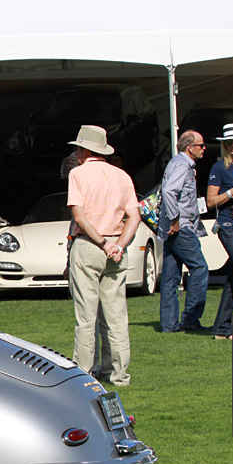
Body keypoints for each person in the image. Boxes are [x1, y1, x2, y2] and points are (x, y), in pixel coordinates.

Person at [67, 125, 140, 386]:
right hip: (116, 248)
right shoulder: (122, 175)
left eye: (77, 147)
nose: (75, 152)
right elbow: (135, 217)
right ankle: (118, 374)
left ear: (86, 150)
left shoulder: (78, 174)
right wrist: (118, 244)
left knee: (86, 316)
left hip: (89, 244)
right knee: (116, 316)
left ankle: (83, 374)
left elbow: (79, 216)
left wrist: (102, 243)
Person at [157, 130, 209, 333]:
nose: (204, 148)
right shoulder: (182, 165)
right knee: (200, 268)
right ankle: (190, 319)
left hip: (174, 228)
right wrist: (175, 220)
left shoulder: (177, 163)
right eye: (201, 145)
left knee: (170, 276)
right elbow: (170, 191)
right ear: (190, 147)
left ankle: (169, 325)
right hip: (181, 227)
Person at [207, 123, 233, 341]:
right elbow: (210, 200)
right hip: (228, 224)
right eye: (229, 143)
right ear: (224, 145)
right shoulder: (219, 168)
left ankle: (222, 327)